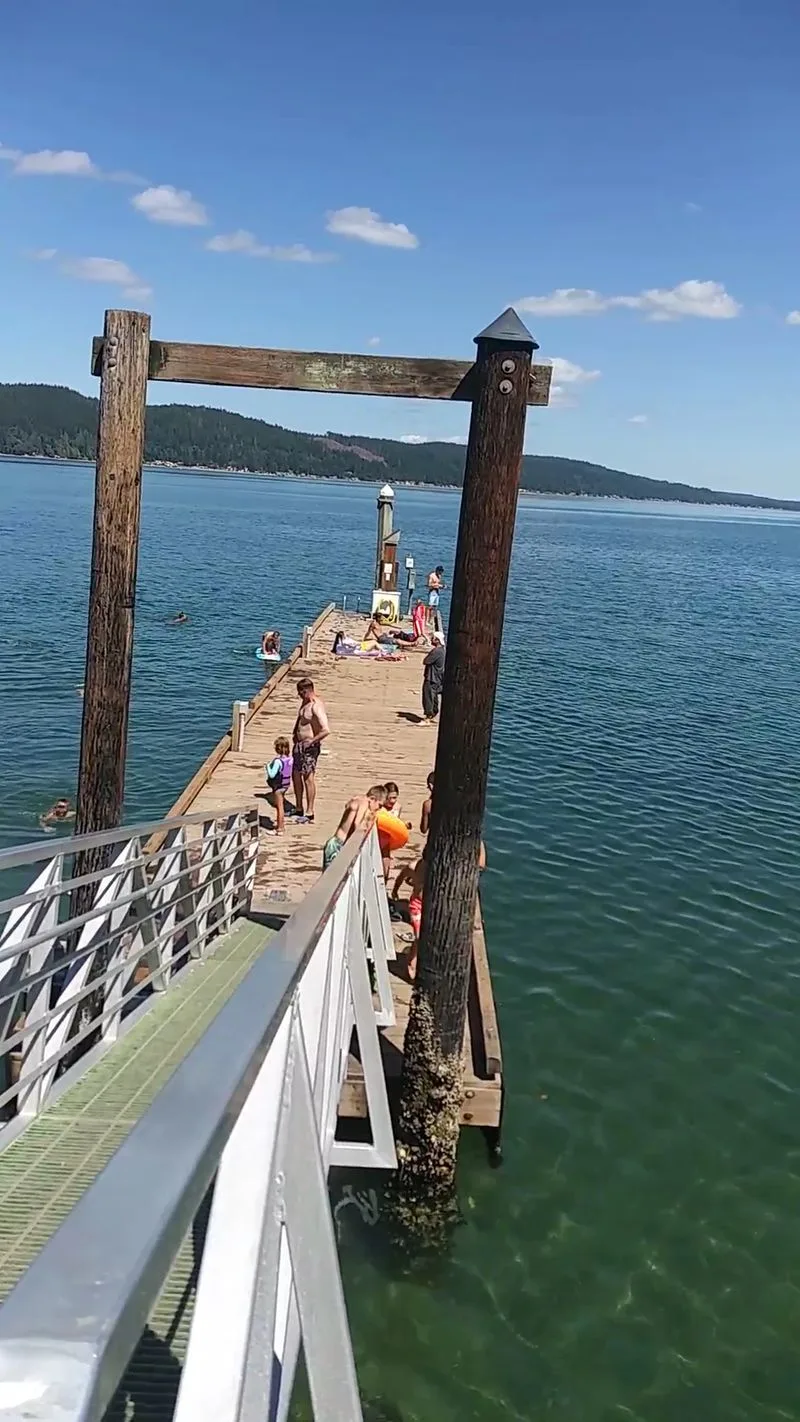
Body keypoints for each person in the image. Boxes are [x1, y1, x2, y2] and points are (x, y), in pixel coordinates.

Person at [393, 839, 486, 980]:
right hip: (416, 906)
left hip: (432, 905)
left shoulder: (440, 871)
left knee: (430, 936)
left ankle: (423, 960)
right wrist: (395, 890)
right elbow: (402, 875)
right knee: (419, 937)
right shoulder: (415, 866)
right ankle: (411, 964)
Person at [292, 678, 330, 823]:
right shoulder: (305, 703)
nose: (299, 696)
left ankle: (310, 811)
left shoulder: (316, 706)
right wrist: (294, 733)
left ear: (307, 691)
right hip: (299, 745)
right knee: (296, 775)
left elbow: (326, 730)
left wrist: (312, 741)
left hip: (309, 747)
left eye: (300, 693)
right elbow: (300, 719)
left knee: (308, 778)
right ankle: (298, 807)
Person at [322, 785, 386, 869]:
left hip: (336, 842)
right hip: (338, 844)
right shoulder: (364, 803)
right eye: (379, 805)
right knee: (331, 878)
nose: (378, 809)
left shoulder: (357, 800)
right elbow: (357, 823)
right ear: (372, 799)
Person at [379, 782, 413, 880]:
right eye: (390, 798)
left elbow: (395, 823)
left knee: (385, 869)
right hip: (376, 839)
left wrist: (404, 825)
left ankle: (383, 888)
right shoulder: (379, 808)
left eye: (395, 797)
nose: (393, 801)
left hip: (387, 843)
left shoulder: (397, 807)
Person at [265, 736, 293, 833]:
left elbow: (272, 774)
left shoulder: (278, 761)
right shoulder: (290, 759)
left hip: (278, 787)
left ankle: (280, 828)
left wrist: (268, 767)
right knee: (281, 805)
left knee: (279, 807)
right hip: (286, 785)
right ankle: (280, 826)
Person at [421, 633, 445, 723]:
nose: (431, 639)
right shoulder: (442, 650)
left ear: (437, 640)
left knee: (428, 697)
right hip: (438, 678)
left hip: (432, 677)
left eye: (433, 638)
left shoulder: (436, 651)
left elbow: (426, 661)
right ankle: (433, 714)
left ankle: (428, 716)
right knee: (434, 697)